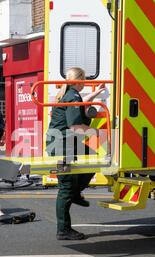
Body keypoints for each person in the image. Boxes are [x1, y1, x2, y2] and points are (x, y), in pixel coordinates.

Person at [46, 67, 106, 240]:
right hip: (63, 145)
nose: (86, 81)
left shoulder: (71, 94)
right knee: (66, 187)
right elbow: (75, 126)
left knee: (93, 157)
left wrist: (97, 93)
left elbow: (80, 103)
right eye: (85, 79)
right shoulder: (72, 96)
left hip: (64, 143)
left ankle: (77, 192)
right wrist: (96, 133)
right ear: (79, 80)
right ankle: (63, 229)